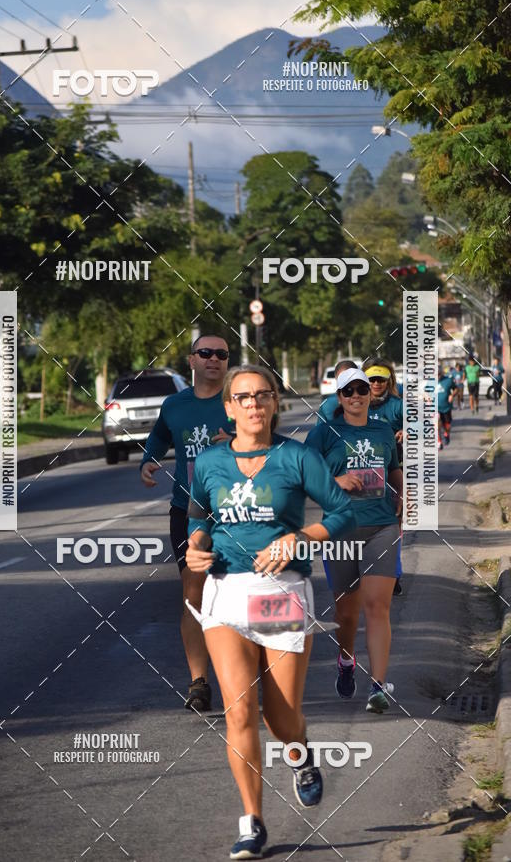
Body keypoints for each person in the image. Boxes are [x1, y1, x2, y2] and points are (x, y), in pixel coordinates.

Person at [186, 365, 355, 859]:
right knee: (239, 711)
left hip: (282, 592)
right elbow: (200, 522)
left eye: (263, 395)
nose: (253, 404)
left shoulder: (297, 457)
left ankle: (300, 753)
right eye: (243, 397)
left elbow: (343, 512)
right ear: (229, 407)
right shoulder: (210, 461)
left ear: (275, 402)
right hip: (226, 592)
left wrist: (300, 537)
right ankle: (252, 823)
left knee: (281, 719)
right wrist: (196, 550)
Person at [140, 335, 232, 712]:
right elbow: (161, 435)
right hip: (188, 511)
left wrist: (240, 438)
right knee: (193, 596)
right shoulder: (175, 404)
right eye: (205, 353)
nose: (214, 359)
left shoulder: (238, 402)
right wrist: (149, 458)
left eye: (222, 354)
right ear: (191, 361)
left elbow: (269, 445)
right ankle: (199, 683)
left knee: (233, 594)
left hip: (235, 514)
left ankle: (238, 674)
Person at [305, 368, 403, 715]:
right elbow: (304, 475)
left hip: (382, 526)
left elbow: (394, 468)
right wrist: (336, 480)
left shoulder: (383, 430)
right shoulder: (324, 433)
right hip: (341, 529)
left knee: (378, 607)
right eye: (349, 391)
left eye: (362, 389)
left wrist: (403, 497)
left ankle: (377, 686)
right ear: (340, 396)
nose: (357, 396)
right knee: (347, 613)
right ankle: (346, 660)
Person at [363, 358, 404, 596]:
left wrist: (409, 429)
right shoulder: (357, 403)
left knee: (393, 525)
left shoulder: (397, 406)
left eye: (381, 379)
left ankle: (393, 574)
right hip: (364, 473)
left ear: (389, 381)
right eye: (372, 379)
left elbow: (425, 422)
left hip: (395, 469)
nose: (376, 383)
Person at [437, 367, 456, 449]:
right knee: (437, 424)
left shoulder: (448, 380)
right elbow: (425, 392)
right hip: (435, 408)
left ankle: (446, 434)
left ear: (441, 373)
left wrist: (452, 395)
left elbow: (456, 389)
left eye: (438, 374)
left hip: (446, 407)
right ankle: (439, 442)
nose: (437, 376)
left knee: (447, 424)